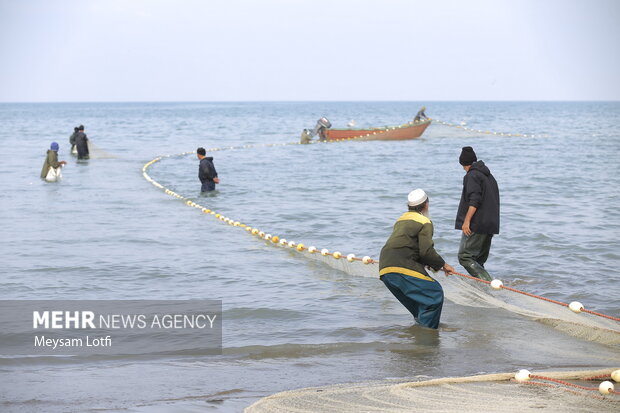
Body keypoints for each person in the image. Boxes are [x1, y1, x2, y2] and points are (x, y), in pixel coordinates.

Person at [379, 189, 455, 329]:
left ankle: (418, 338)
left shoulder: (401, 219)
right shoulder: (424, 221)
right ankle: (427, 341)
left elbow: (408, 246)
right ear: (426, 205)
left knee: (419, 304)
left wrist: (427, 263)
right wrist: (443, 265)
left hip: (385, 268)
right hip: (402, 266)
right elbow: (426, 251)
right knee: (434, 294)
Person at [455, 146, 500, 281]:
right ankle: (484, 288)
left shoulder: (471, 176)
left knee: (465, 257)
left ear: (462, 163)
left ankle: (489, 284)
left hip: (477, 223)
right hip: (490, 224)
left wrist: (467, 221)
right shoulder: (488, 175)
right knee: (478, 261)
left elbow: (474, 200)